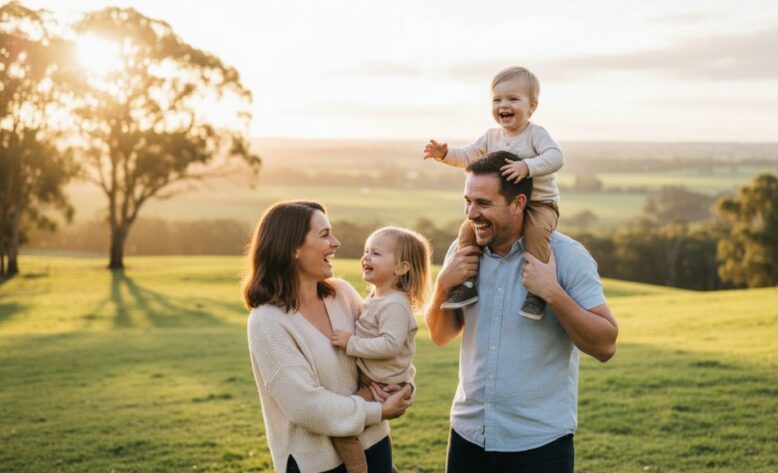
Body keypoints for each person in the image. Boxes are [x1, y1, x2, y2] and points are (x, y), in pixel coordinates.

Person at [424, 152, 618, 473]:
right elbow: (440, 335)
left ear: (518, 204)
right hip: (468, 437)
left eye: (483, 203)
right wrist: (443, 285)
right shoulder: (461, 253)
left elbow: (605, 345)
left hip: (539, 444)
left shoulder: (567, 257)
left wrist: (552, 292)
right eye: (467, 201)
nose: (472, 213)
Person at [244, 201, 413, 473]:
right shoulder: (267, 321)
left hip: (375, 443)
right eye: (324, 235)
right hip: (318, 462)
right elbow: (306, 406)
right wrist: (378, 411)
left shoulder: (342, 294)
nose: (335, 243)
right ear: (293, 249)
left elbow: (390, 347)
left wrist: (402, 386)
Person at [424, 65, 564, 320]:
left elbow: (556, 157)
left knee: (535, 234)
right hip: (502, 207)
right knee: (467, 231)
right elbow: (468, 157)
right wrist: (444, 155)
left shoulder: (536, 135)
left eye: (513, 99)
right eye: (497, 99)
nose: (503, 105)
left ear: (532, 106)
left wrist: (527, 166)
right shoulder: (491, 137)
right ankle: (466, 285)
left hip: (539, 204)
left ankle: (537, 293)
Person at [330, 226, 432, 473]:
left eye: (376, 253)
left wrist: (350, 343)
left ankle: (357, 469)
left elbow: (390, 345)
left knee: (342, 425)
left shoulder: (394, 304)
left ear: (401, 268)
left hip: (379, 385)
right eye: (366, 251)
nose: (366, 258)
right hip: (375, 379)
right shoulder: (376, 297)